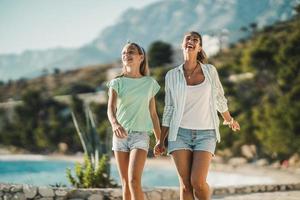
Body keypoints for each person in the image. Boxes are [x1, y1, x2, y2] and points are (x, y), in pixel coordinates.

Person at [154, 31, 240, 200]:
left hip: (206, 133)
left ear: (199, 47)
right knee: (185, 185)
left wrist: (228, 119)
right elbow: (169, 108)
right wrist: (161, 139)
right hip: (179, 134)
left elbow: (218, 98)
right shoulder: (171, 75)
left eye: (196, 40)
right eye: (188, 39)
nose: (191, 41)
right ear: (182, 44)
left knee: (198, 182)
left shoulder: (210, 71)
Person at [107, 42, 161, 200]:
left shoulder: (149, 83)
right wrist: (115, 124)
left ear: (141, 57)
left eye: (131, 52)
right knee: (125, 183)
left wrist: (159, 140)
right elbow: (111, 108)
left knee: (133, 180)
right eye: (124, 53)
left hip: (141, 136)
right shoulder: (117, 82)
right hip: (120, 136)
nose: (126, 55)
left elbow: (153, 114)